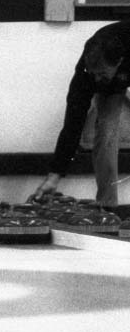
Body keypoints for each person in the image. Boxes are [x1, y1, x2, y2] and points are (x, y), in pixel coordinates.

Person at [31, 22, 130, 208]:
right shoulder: (86, 75)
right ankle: (108, 205)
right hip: (113, 84)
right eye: (94, 75)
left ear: (118, 62)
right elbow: (72, 126)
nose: (97, 80)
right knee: (106, 131)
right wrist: (54, 176)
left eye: (101, 74)